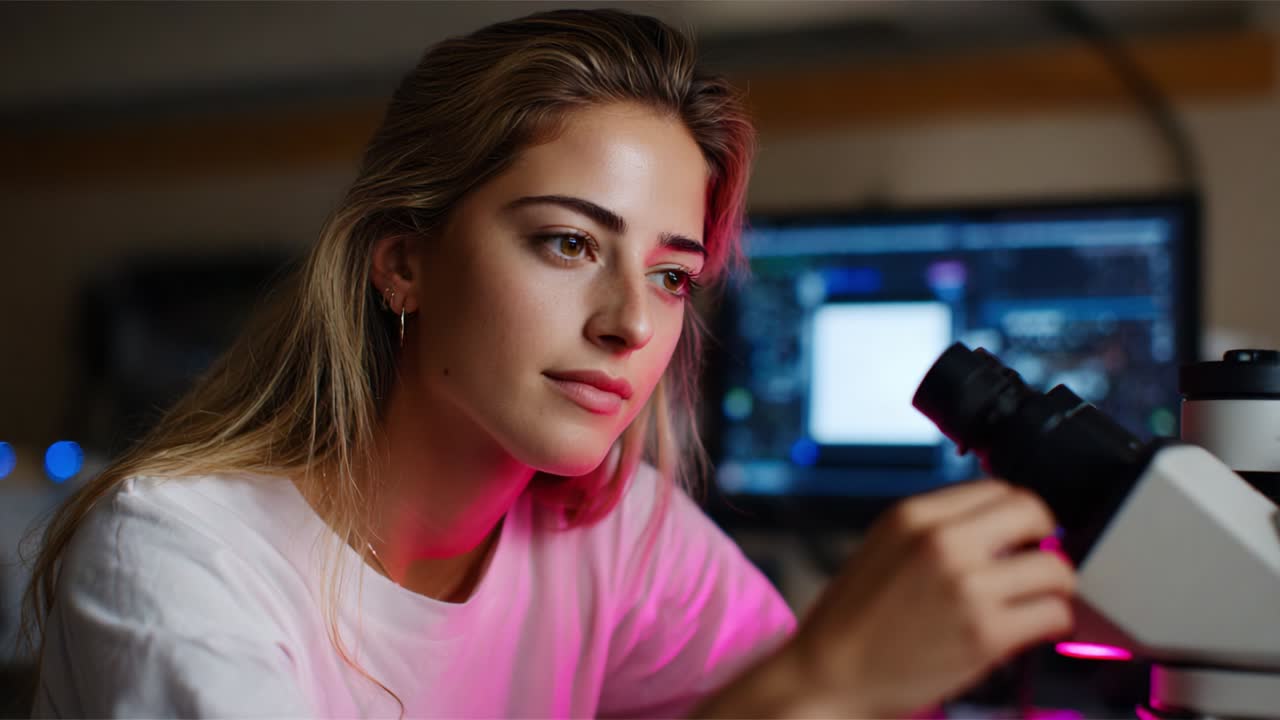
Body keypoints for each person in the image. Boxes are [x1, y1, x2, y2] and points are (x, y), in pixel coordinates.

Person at [22, 9, 1075, 718]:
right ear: (403, 263)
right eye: (568, 243)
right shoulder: (172, 554)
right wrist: (818, 685)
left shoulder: (620, 536)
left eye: (670, 276)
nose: (629, 323)